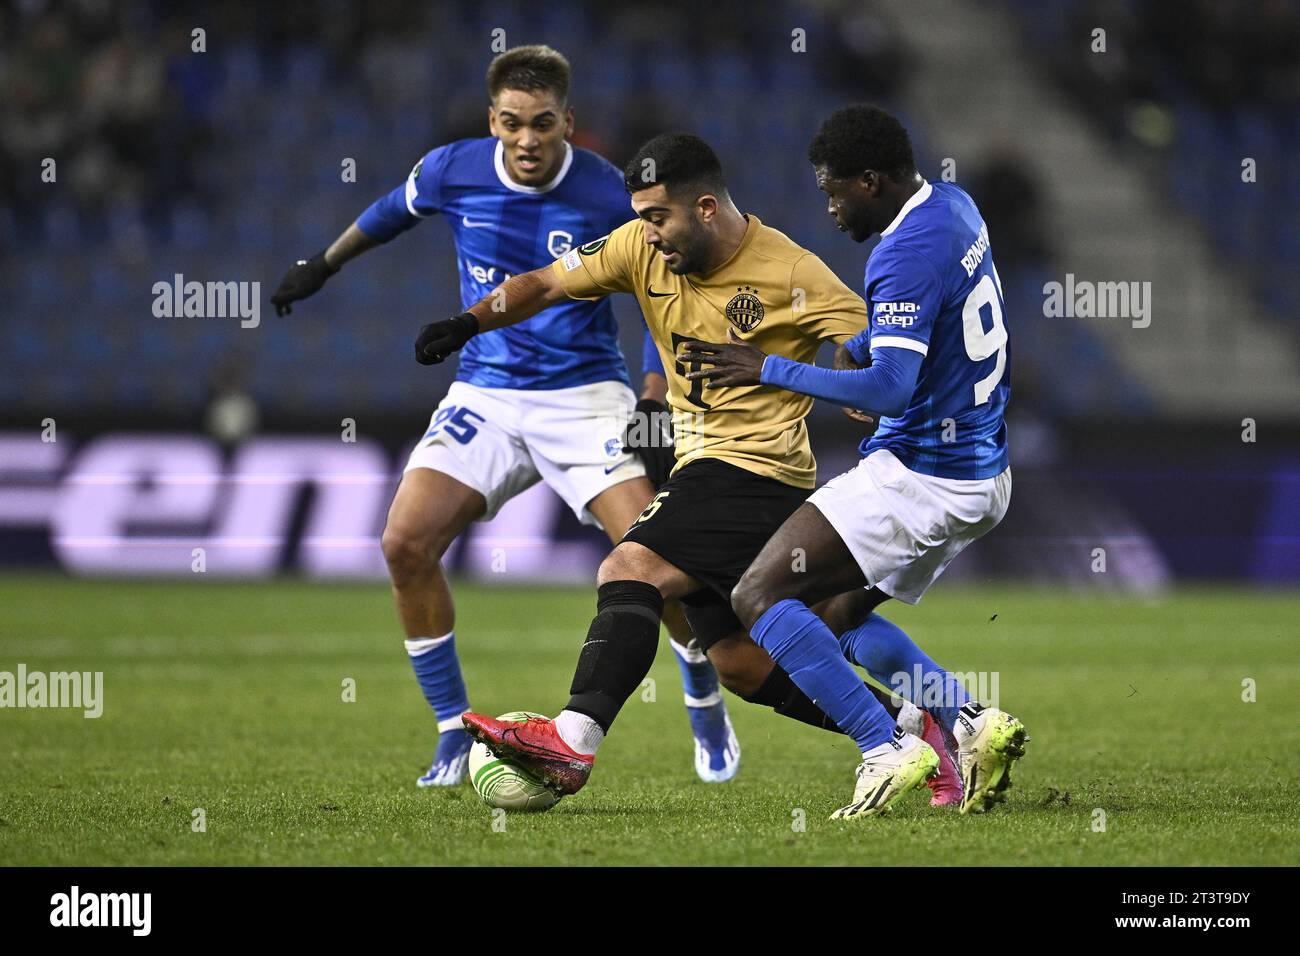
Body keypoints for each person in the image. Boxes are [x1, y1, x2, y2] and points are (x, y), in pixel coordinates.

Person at [269, 46, 739, 788]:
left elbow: (660, 288)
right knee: (404, 542)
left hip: (586, 396)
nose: (527, 139)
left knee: (658, 562)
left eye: (543, 124)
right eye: (513, 124)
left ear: (567, 123)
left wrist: (653, 394)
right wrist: (323, 266)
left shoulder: (608, 192)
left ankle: (703, 693)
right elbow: (388, 214)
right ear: (493, 120)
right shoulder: (452, 169)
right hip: (486, 394)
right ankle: (454, 733)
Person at [680, 104, 1028, 815]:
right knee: (830, 612)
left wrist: (769, 367)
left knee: (758, 596)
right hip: (984, 474)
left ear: (871, 181)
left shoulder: (896, 256)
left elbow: (891, 391)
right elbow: (942, 314)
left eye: (835, 191)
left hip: (922, 474)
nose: (831, 207)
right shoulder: (956, 208)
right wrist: (869, 343)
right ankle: (969, 723)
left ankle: (886, 748)